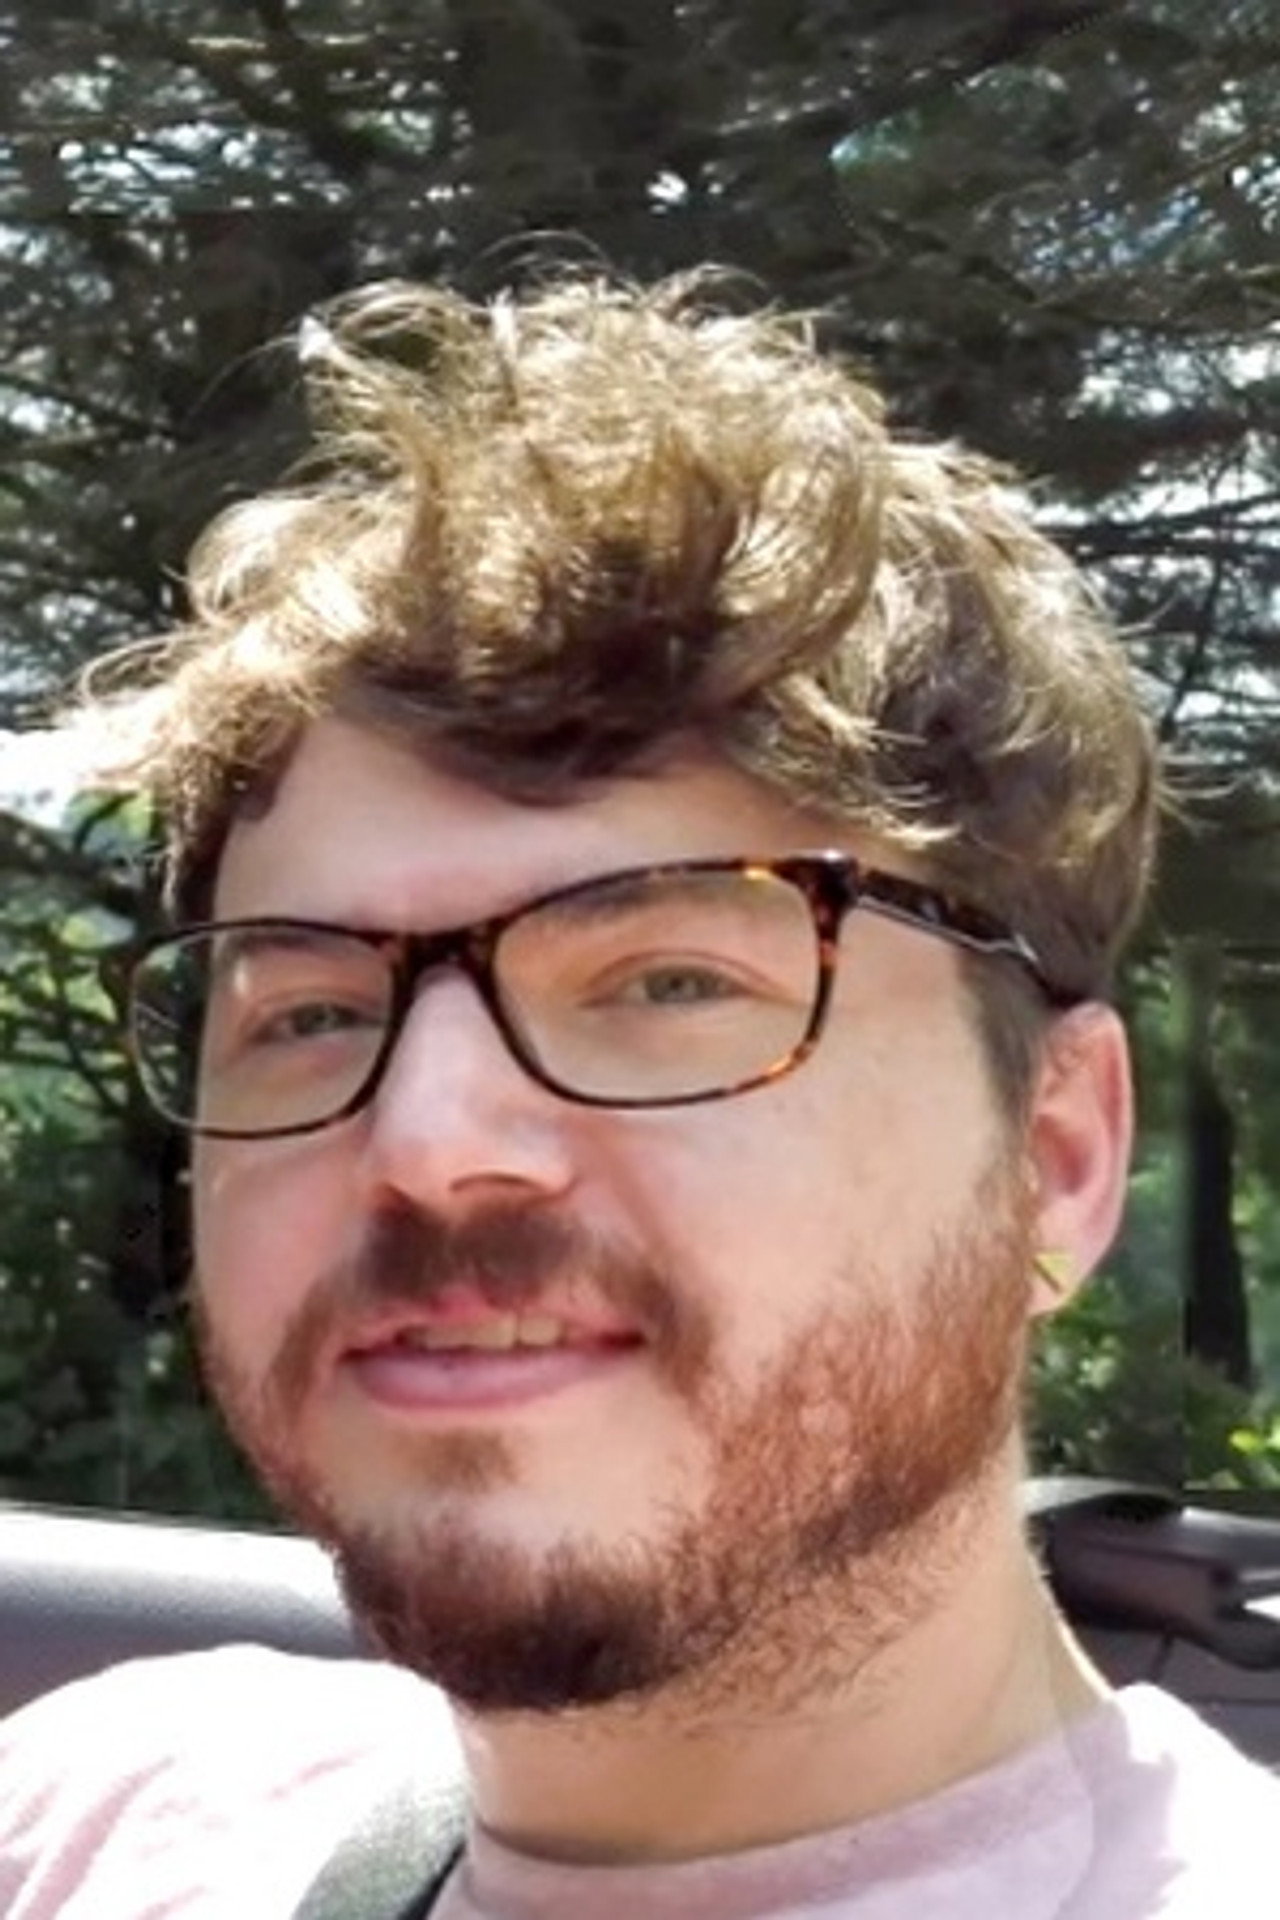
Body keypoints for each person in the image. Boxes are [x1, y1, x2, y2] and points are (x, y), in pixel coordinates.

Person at [1, 272, 1275, 1918]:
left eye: (670, 984)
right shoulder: (104, 1816)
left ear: (1058, 1155)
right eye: (311, 1012)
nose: (426, 1141)